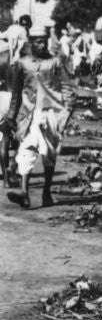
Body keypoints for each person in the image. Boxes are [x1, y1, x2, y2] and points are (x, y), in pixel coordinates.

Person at [0, 25, 75, 206]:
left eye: (44, 41)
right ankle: (24, 193)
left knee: (48, 153)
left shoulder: (55, 63)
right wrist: (10, 118)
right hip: (29, 115)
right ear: (31, 43)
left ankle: (46, 191)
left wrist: (64, 116)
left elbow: (68, 90)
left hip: (51, 114)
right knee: (26, 149)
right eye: (38, 42)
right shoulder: (22, 64)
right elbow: (16, 94)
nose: (41, 45)